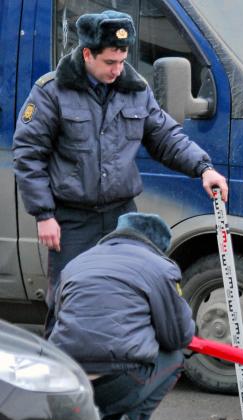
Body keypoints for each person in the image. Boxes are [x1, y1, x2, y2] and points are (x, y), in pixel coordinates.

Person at [12, 10, 227, 336]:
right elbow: (29, 155)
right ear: (87, 54)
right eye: (110, 62)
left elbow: (166, 138)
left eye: (122, 60)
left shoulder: (135, 89)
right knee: (70, 301)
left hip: (121, 216)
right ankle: (64, 380)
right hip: (72, 219)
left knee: (128, 294)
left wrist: (203, 168)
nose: (118, 69)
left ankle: (116, 376)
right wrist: (43, 214)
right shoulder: (52, 92)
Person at [49, 212, 195, 420]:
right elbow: (178, 336)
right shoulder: (160, 268)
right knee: (176, 356)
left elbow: (58, 317)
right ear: (156, 246)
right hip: (120, 379)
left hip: (68, 381)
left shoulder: (76, 263)